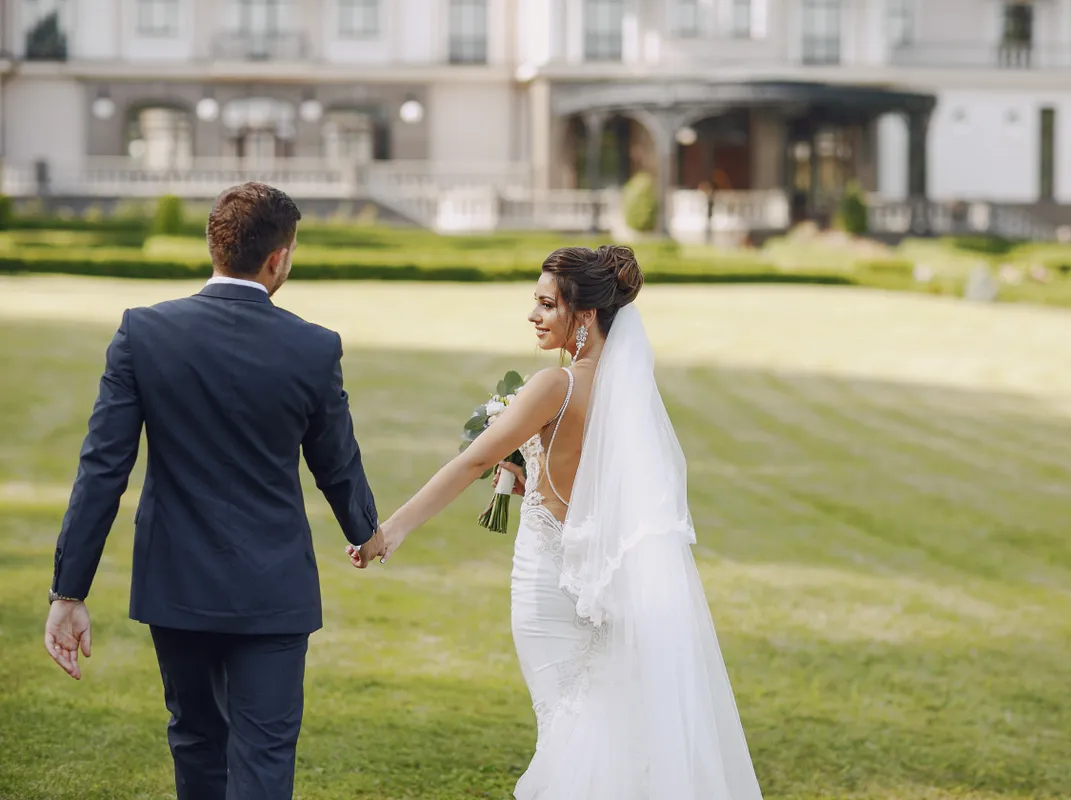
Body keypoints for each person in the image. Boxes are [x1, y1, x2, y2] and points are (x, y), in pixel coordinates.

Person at [355, 245, 763, 799]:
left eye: (547, 305)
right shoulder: (626, 393)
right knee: (602, 714)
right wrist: (534, 475)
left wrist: (393, 529)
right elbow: (602, 487)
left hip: (549, 582)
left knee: (568, 724)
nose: (534, 316)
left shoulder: (555, 385)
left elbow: (474, 459)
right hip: (602, 582)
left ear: (586, 315)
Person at [44, 182, 386, 800]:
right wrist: (366, 530)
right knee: (266, 756)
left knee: (196, 741)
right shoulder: (313, 346)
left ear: (214, 245)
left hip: (176, 581)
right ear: (278, 258)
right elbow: (336, 461)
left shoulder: (142, 333)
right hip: (274, 585)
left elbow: (102, 470)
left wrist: (70, 589)